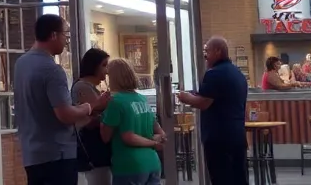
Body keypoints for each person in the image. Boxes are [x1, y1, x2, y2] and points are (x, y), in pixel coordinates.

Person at [14, 14, 109, 185]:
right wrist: (92, 105)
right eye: (65, 35)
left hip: (32, 153)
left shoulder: (21, 63)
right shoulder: (52, 70)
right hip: (57, 154)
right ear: (53, 35)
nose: (66, 41)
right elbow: (65, 114)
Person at [179, 36, 248, 185]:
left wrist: (185, 97)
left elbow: (204, 102)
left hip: (219, 138)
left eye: (206, 52)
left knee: (221, 178)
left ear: (217, 51)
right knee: (239, 178)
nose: (205, 56)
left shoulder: (214, 73)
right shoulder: (238, 73)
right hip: (237, 135)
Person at [99, 58, 163, 185]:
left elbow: (106, 136)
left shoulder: (115, 102)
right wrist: (154, 141)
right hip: (152, 162)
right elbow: (160, 131)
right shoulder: (142, 100)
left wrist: (101, 112)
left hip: (128, 164)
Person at [72, 48, 112, 185]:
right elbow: (89, 121)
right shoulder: (82, 87)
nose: (107, 71)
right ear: (93, 65)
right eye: (104, 65)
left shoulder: (92, 88)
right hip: (93, 149)